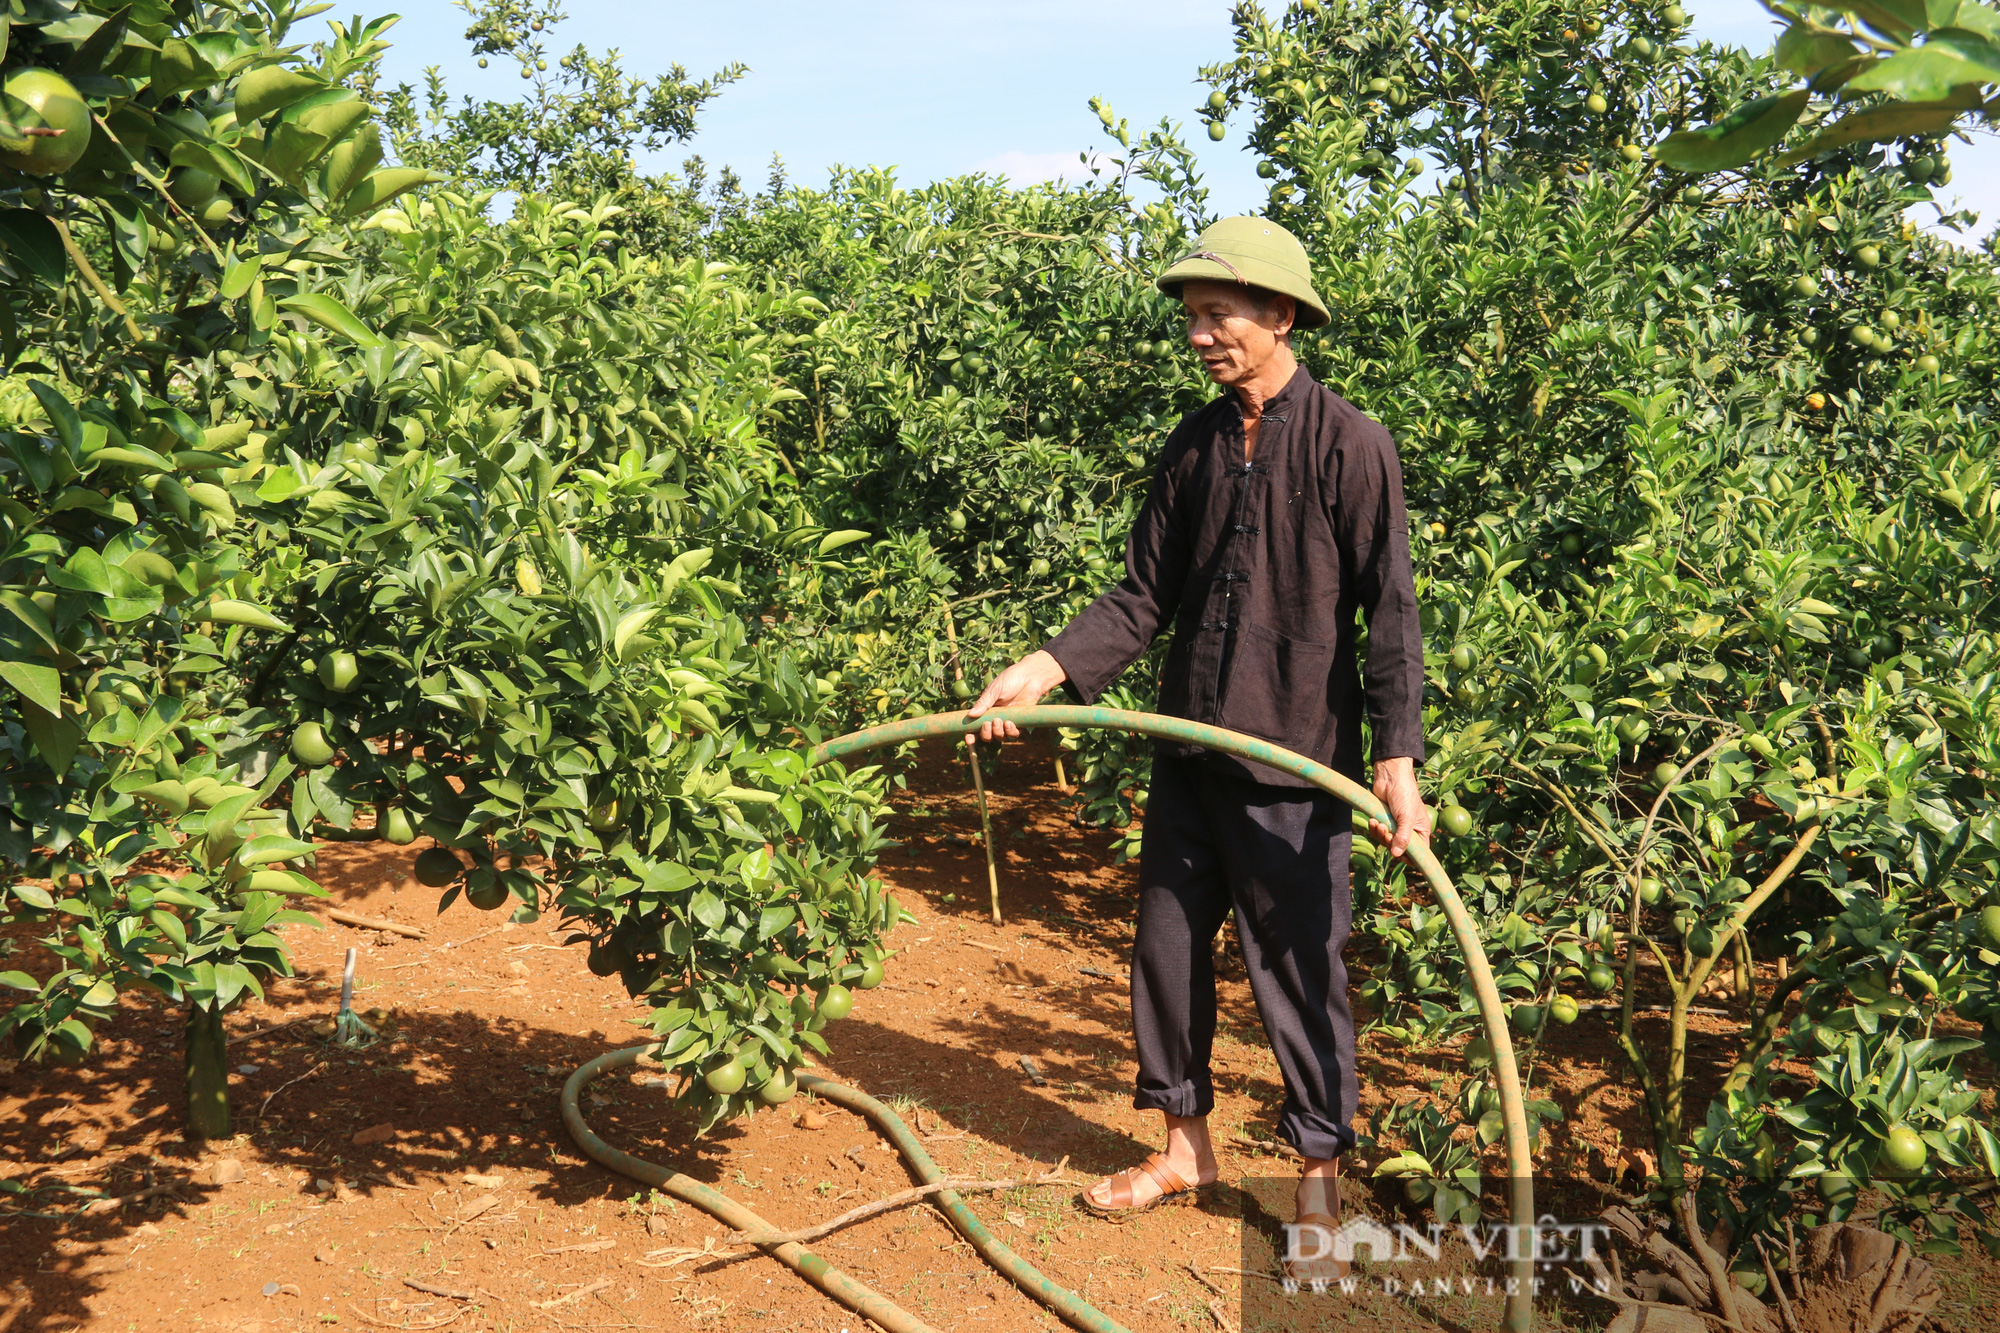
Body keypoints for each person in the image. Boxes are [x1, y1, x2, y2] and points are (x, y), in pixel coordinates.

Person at [966, 216, 1429, 1273]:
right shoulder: (1195, 443)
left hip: (1293, 769)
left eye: (1217, 314)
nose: (1200, 334)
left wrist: (1394, 761)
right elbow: (1140, 593)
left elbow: (1387, 613)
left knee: (1298, 969)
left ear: (1279, 315)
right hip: (1187, 752)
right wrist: (1045, 668)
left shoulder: (1350, 443)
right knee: (1165, 952)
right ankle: (1184, 1150)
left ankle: (1316, 1180)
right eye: (1190, 317)